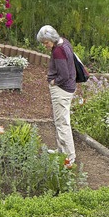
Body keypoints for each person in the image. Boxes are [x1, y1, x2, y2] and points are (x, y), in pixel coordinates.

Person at [36, 25, 76, 165]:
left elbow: (64, 75)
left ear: (52, 39)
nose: (45, 46)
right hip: (68, 88)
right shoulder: (64, 42)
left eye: (46, 42)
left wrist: (53, 82)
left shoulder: (58, 51)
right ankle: (61, 151)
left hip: (62, 89)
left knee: (62, 123)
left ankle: (69, 158)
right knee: (60, 121)